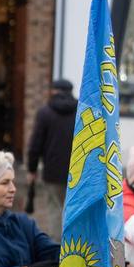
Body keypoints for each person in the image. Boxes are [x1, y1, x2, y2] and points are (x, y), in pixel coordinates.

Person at [24, 78, 77, 236]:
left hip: (52, 171)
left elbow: (36, 144)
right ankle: (74, 245)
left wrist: (32, 169)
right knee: (73, 210)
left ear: (54, 91)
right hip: (77, 170)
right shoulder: (80, 111)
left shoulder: (45, 112)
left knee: (55, 209)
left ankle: (56, 246)